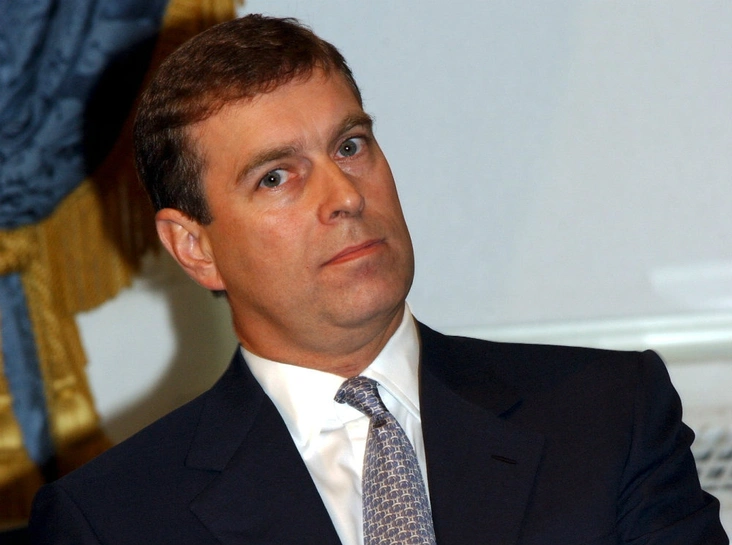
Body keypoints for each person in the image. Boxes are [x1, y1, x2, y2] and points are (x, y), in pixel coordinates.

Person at [29, 14, 727, 545]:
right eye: (276, 177)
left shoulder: (608, 415)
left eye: (350, 145)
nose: (344, 195)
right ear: (194, 247)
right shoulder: (112, 519)